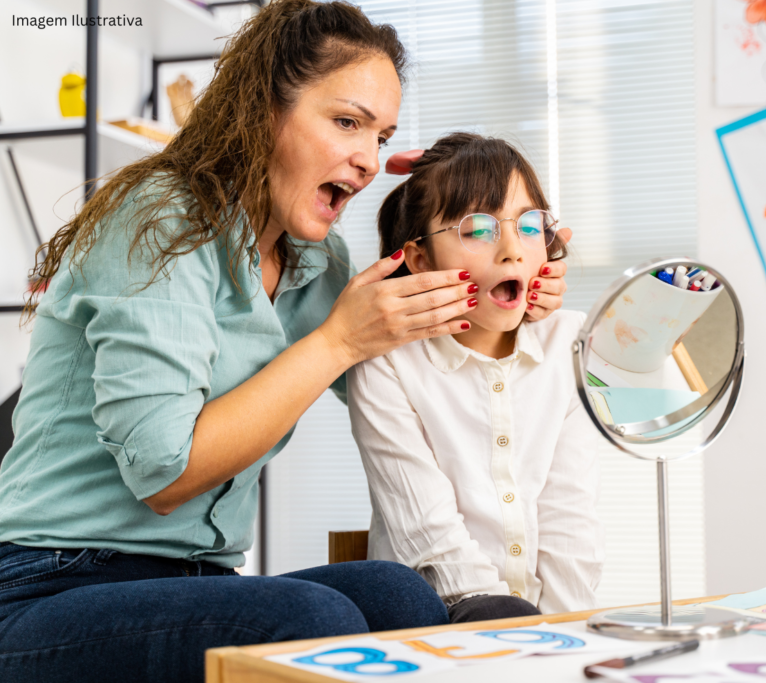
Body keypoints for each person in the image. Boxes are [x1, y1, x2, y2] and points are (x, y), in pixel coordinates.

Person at [0, 2, 570, 681]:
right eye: (348, 122)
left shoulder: (317, 263)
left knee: (401, 596)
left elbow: (412, 386)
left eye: (382, 136)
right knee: (313, 620)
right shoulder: (160, 219)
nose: (368, 160)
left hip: (198, 579)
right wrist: (336, 342)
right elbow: (163, 474)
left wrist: (500, 278)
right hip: (52, 581)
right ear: (261, 111)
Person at [348, 133, 603, 624]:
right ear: (421, 259)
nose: (511, 250)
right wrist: (511, 628)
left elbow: (571, 519)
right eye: (478, 229)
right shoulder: (387, 359)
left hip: (543, 632)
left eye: (529, 226)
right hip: (432, 621)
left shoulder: (570, 343)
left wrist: (567, 634)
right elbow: (426, 531)